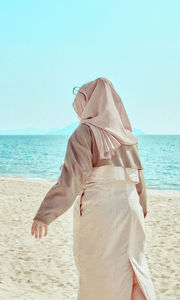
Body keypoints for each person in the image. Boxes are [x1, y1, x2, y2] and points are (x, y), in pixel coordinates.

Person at [31, 77, 156, 300]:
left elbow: (70, 181)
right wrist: (140, 213)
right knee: (133, 269)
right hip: (131, 211)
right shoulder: (128, 138)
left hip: (101, 213)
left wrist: (44, 215)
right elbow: (140, 184)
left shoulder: (84, 133)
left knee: (98, 276)